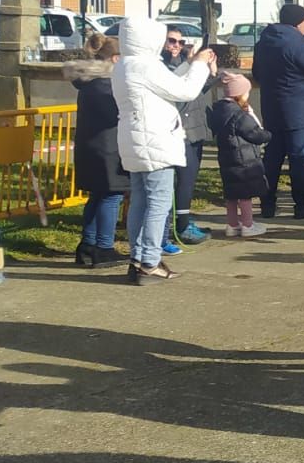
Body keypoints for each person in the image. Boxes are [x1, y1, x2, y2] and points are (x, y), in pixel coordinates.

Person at [112, 17, 215, 283]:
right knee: (158, 204)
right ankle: (150, 261)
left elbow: (166, 84)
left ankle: (138, 258)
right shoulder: (145, 66)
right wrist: (202, 65)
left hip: (134, 141)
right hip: (155, 141)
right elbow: (186, 91)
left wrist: (190, 64)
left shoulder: (125, 65)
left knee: (140, 201)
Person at [254, 3, 304, 220]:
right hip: (300, 109)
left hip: (273, 107)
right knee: (298, 157)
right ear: (299, 22)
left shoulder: (264, 43)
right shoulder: (296, 45)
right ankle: (301, 205)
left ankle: (267, 204)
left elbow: (257, 74)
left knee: (273, 156)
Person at [66, 33, 128, 268]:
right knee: (111, 196)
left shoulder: (90, 81)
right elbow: (116, 114)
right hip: (107, 148)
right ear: (115, 58)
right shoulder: (104, 84)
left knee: (98, 196)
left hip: (92, 147)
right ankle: (104, 247)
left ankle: (88, 245)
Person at [161, 27, 213, 247]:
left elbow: (196, 91)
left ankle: (183, 220)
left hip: (194, 127)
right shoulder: (160, 68)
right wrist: (193, 66)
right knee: (180, 181)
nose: (176, 46)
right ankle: (178, 226)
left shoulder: (184, 63)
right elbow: (178, 94)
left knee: (189, 180)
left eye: (181, 42)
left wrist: (208, 71)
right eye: (171, 41)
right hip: (178, 132)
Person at [209, 71, 270, 237]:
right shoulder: (239, 115)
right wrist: (268, 135)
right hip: (244, 161)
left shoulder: (220, 111)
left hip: (227, 160)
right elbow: (255, 134)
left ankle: (232, 224)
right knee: (245, 194)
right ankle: (248, 225)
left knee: (231, 194)